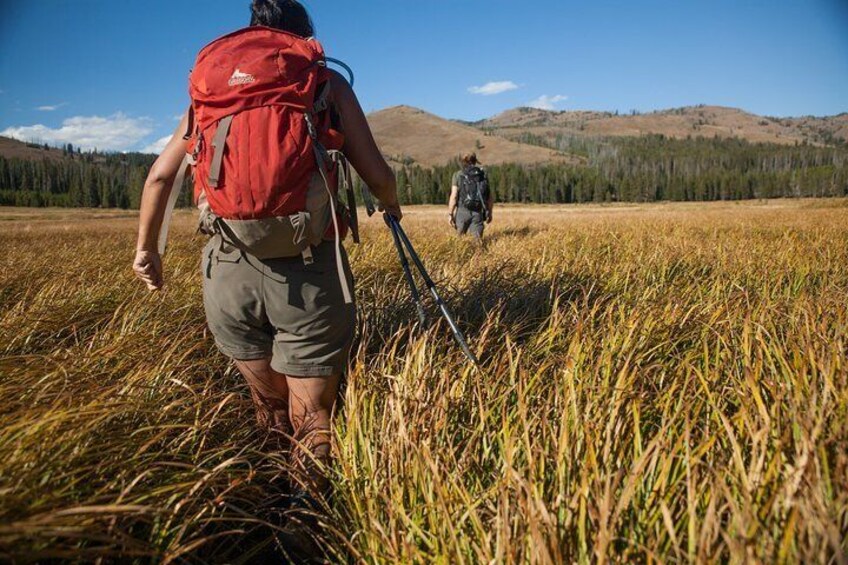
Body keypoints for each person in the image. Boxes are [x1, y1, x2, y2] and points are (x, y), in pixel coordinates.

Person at [132, 0, 400, 555]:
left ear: (251, 34)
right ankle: (301, 534)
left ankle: (266, 505)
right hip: (307, 268)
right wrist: (391, 205)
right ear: (303, 37)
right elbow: (377, 174)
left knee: (268, 408)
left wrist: (146, 251)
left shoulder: (212, 90)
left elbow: (160, 177)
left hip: (226, 270)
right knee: (313, 415)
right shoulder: (323, 82)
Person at [448, 153, 493, 240]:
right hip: (478, 212)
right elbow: (489, 197)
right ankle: (478, 253)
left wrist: (450, 214)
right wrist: (489, 213)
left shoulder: (458, 175)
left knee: (459, 242)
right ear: (475, 161)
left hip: (462, 212)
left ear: (463, 162)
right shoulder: (482, 175)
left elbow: (454, 196)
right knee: (477, 242)